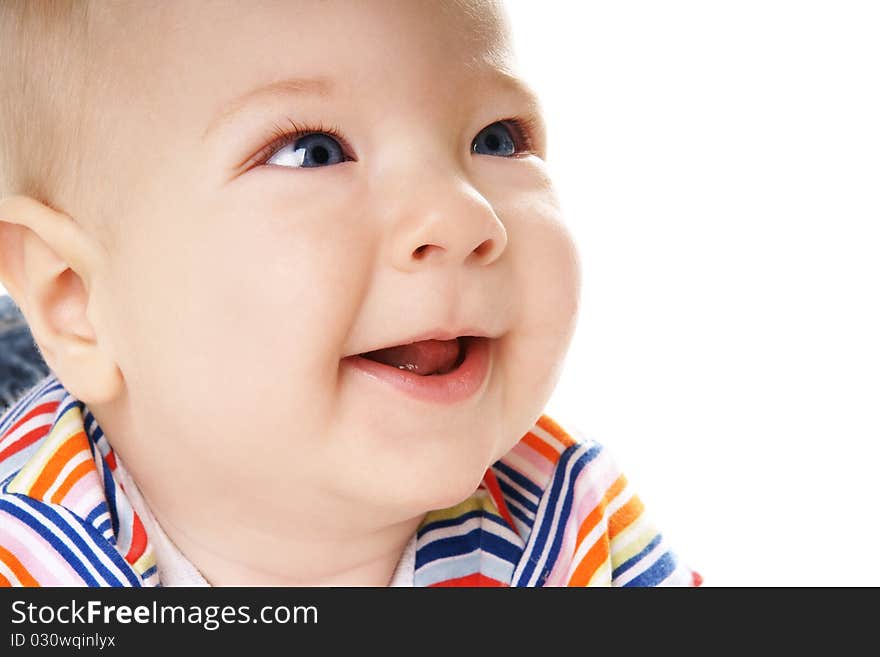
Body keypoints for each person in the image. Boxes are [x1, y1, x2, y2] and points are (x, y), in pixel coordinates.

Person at [0, 0, 700, 587]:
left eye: (496, 138)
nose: (463, 219)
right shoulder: (34, 560)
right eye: (314, 151)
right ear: (77, 299)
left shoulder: (568, 517)